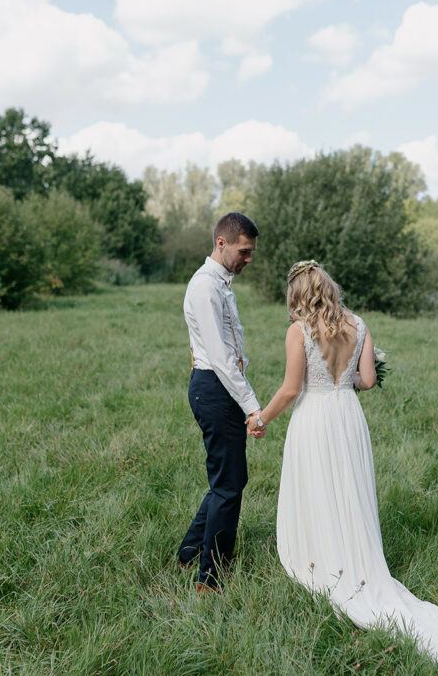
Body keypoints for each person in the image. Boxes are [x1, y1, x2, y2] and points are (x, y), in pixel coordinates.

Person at [248, 261, 438, 676]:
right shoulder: (359, 325)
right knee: (349, 488)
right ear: (329, 288)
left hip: (315, 419)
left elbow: (292, 388)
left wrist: (260, 419)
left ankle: (320, 557)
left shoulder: (299, 331)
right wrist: (345, 378)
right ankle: (355, 557)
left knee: (318, 487)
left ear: (298, 295)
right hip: (348, 417)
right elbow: (366, 381)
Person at [179, 212, 266, 592]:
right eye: (244, 251)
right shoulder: (206, 288)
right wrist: (252, 406)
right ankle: (210, 579)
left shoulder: (220, 283)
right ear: (221, 243)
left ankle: (188, 554)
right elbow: (221, 357)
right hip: (215, 387)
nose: (249, 258)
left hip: (218, 386)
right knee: (228, 484)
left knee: (229, 479)